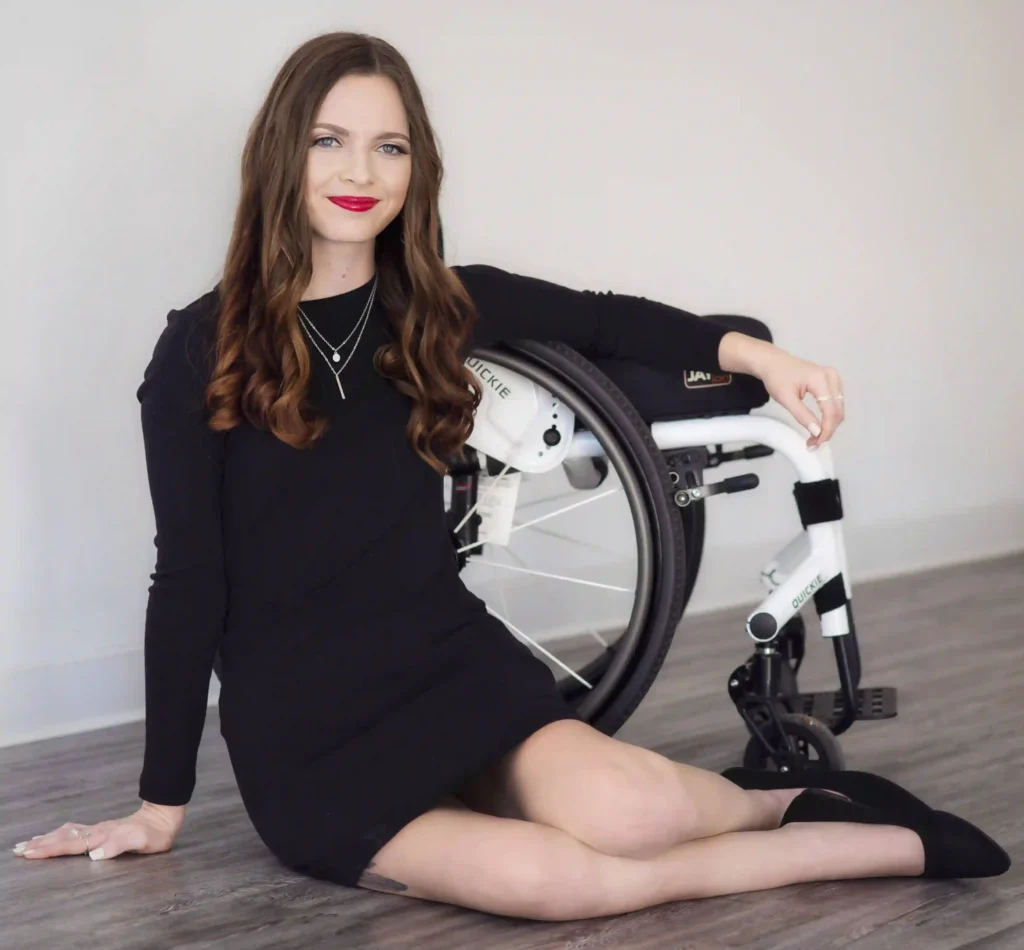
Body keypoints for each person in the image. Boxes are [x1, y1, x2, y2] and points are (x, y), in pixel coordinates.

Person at [12, 31, 1008, 921]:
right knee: (559, 882)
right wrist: (161, 801)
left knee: (638, 806)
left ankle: (779, 800)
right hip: (310, 735)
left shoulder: (444, 305)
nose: (361, 170)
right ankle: (860, 845)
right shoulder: (202, 349)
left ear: (416, 167)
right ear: (283, 153)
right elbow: (188, 583)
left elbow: (610, 318)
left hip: (448, 666)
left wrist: (757, 355)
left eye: (389, 146)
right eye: (330, 139)